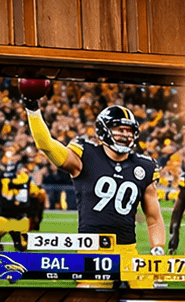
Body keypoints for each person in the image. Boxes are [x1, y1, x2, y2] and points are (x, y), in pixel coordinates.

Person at [22, 94, 167, 264]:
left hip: (128, 250)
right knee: (88, 290)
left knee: (145, 290)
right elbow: (45, 144)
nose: (125, 134)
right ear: (104, 129)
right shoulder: (85, 155)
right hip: (90, 249)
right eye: (119, 129)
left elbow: (154, 218)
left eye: (129, 130)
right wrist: (33, 110)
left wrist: (157, 248)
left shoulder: (144, 166)